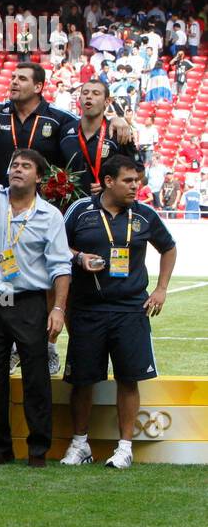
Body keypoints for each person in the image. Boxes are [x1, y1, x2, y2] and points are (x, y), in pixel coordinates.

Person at [0, 117, 72, 467]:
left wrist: (58, 310)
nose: (17, 169)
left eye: (25, 166)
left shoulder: (50, 215)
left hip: (30, 304)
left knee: (36, 378)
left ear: (39, 176)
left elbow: (60, 268)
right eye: (14, 165)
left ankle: (38, 449)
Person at [61, 156, 176, 469]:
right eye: (128, 181)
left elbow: (168, 247)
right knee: (82, 380)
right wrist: (79, 257)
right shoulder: (80, 210)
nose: (135, 187)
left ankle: (124, 448)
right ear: (108, 181)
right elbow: (58, 245)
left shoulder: (144, 214)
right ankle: (80, 444)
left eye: (137, 181)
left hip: (130, 309)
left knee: (129, 379)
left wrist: (161, 289)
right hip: (87, 308)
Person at [58, 79, 138, 197]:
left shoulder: (119, 133)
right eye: (85, 93)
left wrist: (111, 184)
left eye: (96, 93)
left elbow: (139, 173)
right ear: (80, 99)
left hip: (107, 206)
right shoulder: (65, 131)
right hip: (72, 206)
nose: (89, 96)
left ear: (107, 101)